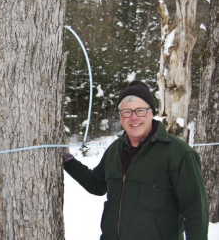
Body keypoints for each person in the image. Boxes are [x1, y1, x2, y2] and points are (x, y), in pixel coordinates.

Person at [63, 80, 208, 240]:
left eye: (140, 111)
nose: (133, 117)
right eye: (126, 111)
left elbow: (195, 212)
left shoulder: (179, 154)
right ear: (120, 115)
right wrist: (68, 161)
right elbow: (97, 185)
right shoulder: (114, 150)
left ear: (152, 112)